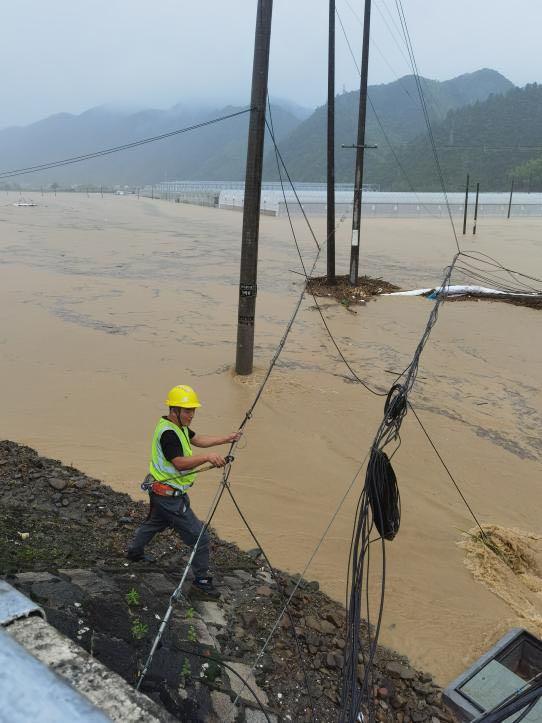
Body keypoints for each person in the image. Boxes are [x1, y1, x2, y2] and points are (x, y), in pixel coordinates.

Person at [127, 384, 241, 599]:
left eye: (193, 410)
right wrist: (207, 458)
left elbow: (197, 440)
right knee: (201, 538)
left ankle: (134, 552)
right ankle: (201, 581)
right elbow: (179, 463)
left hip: (160, 492)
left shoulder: (176, 427)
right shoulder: (169, 434)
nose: (191, 415)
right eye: (187, 411)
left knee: (155, 523)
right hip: (168, 496)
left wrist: (227, 438)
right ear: (174, 411)